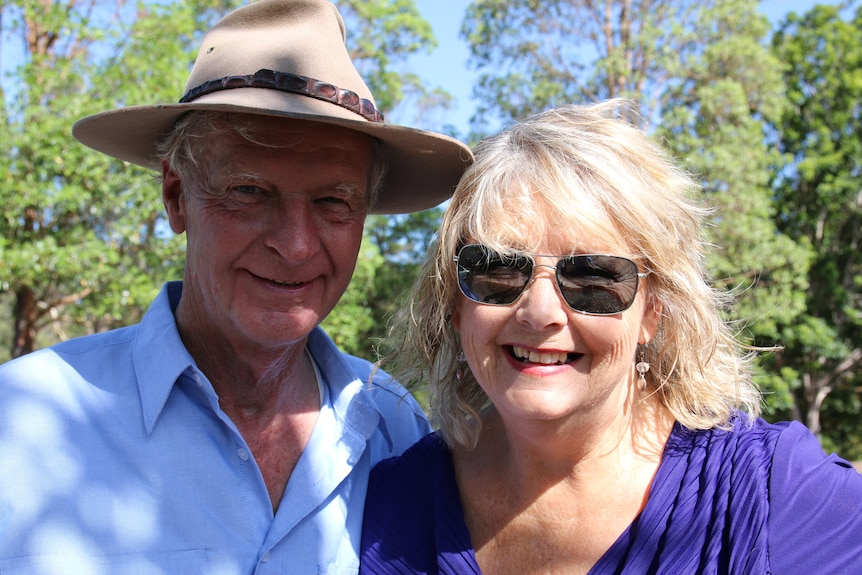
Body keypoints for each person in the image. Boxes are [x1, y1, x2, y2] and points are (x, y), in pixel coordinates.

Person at [0, 0, 472, 572]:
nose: (296, 244)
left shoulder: (394, 427)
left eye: (333, 202)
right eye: (249, 192)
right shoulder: (24, 418)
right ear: (176, 197)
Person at [359, 100, 862, 574]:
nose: (539, 313)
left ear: (654, 309)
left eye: (593, 278)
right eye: (497, 271)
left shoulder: (783, 497)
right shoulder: (390, 507)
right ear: (455, 304)